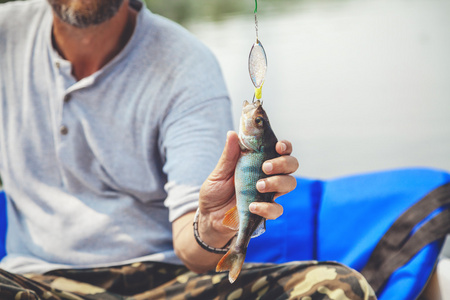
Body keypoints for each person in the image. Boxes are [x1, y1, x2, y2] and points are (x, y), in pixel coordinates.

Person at [0, 0, 377, 298]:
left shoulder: (186, 65)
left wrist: (213, 226)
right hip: (32, 282)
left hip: (166, 284)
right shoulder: (7, 33)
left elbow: (191, 248)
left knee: (339, 288)